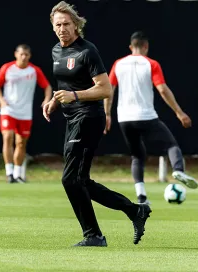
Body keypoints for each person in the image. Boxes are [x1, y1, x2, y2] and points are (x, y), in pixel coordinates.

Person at [43, 1, 151, 247]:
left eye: (67, 24)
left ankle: (94, 235)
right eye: (57, 24)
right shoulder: (56, 51)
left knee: (70, 179)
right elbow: (64, 85)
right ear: (53, 27)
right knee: (81, 181)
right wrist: (54, 101)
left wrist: (76, 96)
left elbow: (105, 88)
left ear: (76, 25)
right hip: (72, 118)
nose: (62, 28)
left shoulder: (87, 51)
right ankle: (135, 211)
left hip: (89, 117)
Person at [106, 31, 198, 205]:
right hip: (146, 115)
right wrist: (179, 112)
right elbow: (162, 89)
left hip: (124, 118)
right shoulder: (151, 64)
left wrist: (107, 114)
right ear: (146, 46)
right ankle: (178, 170)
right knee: (171, 144)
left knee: (137, 156)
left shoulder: (118, 64)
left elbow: (109, 90)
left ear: (131, 47)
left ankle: (141, 196)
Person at [0, 44, 52, 184]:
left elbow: (47, 86)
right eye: (21, 54)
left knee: (21, 143)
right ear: (16, 54)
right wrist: (2, 101)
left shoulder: (34, 70)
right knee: (8, 137)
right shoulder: (7, 68)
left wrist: (46, 100)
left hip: (25, 113)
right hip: (8, 110)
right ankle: (9, 173)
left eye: (26, 54)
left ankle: (18, 174)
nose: (23, 57)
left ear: (29, 56)